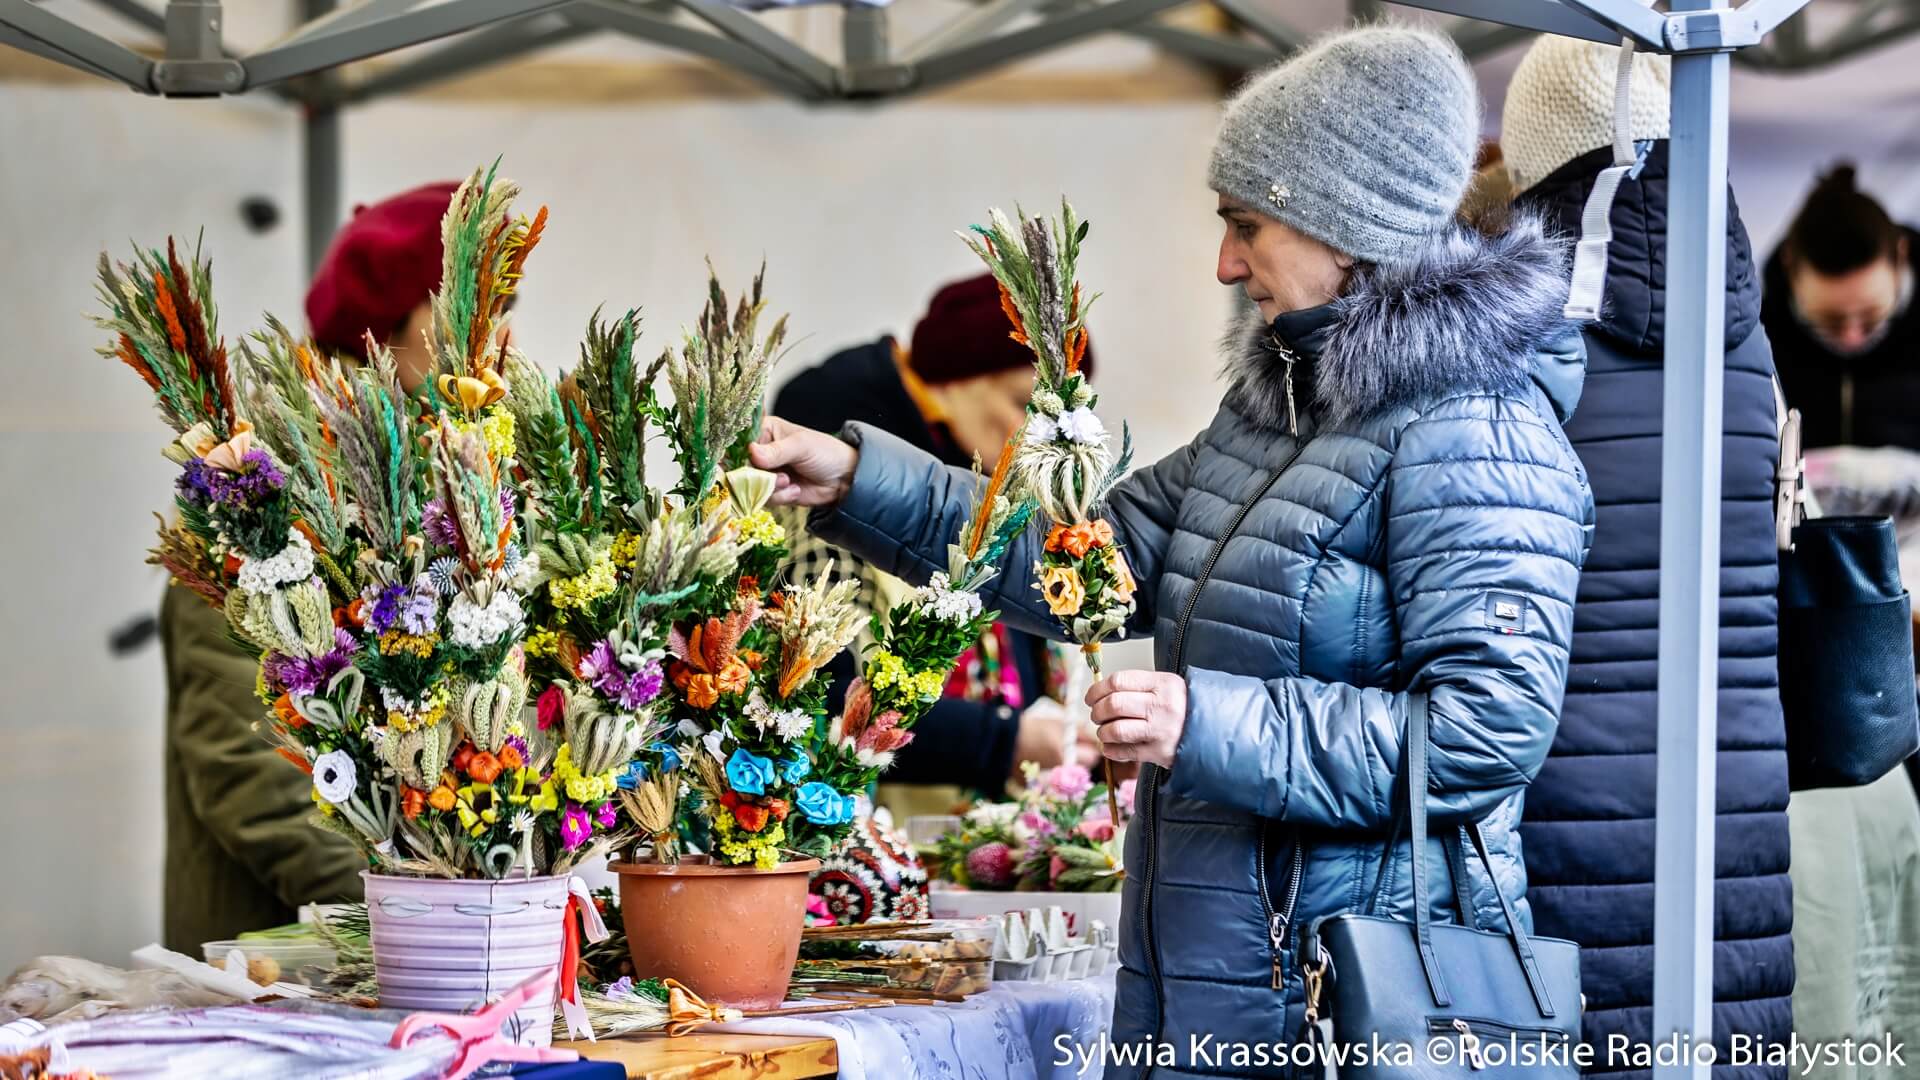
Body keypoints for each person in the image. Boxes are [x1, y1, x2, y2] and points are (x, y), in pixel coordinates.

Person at [752, 26, 1594, 1069]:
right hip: (1209, 980)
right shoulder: (1273, 413)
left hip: (1346, 1003)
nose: (1226, 263)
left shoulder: (1477, 430)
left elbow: (1484, 733)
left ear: (1345, 226)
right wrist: (861, 479)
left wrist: (1208, 721)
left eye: (1247, 225)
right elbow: (1084, 561)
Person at [1501, 37, 1794, 1077]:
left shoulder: (1519, 330)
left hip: (1560, 806)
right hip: (1737, 801)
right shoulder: (1750, 335)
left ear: (1534, 160)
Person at [160, 181, 458, 951]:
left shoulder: (446, 480)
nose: (502, 336)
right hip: (288, 965)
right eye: (471, 305)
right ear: (398, 323)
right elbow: (247, 768)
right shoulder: (257, 497)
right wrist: (423, 913)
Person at [774, 275, 1102, 805]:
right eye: (1026, 405)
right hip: (873, 839)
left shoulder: (994, 499)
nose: (1044, 440)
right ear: (955, 381)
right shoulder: (832, 506)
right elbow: (820, 698)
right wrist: (1004, 740)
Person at [1763, 166, 1920, 450]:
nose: (1852, 337)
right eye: (1830, 320)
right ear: (1790, 270)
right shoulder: (1760, 339)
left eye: (1872, 316)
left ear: (1901, 258)